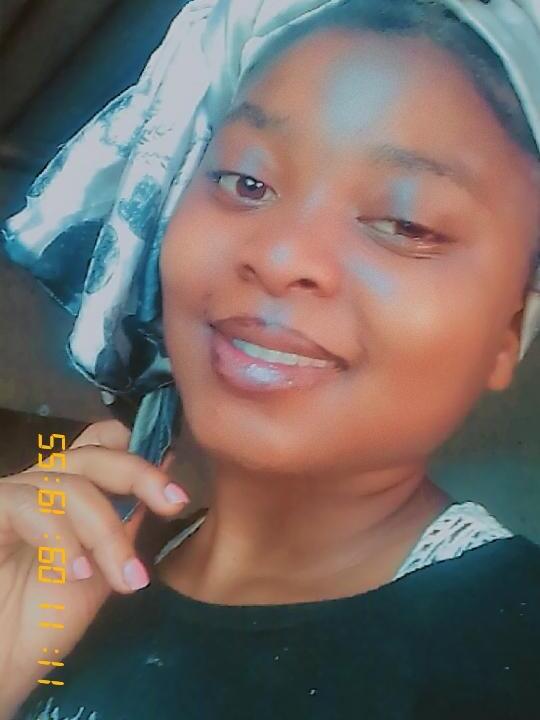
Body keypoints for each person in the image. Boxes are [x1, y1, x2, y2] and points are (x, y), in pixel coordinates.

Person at [1, 0, 539, 717]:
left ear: (510, 331)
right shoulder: (55, 574)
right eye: (245, 182)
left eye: (404, 222)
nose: (281, 257)